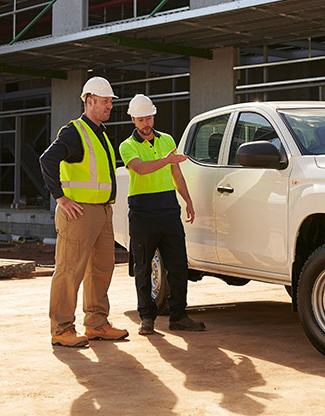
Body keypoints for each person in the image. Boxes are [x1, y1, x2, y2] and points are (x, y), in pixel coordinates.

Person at [40, 76, 129, 347]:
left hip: (102, 212)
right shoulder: (74, 132)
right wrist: (61, 198)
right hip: (78, 214)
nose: (110, 106)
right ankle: (61, 329)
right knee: (69, 271)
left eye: (111, 102)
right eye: (105, 101)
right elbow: (47, 159)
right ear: (89, 101)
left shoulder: (100, 133)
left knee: (101, 270)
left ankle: (96, 324)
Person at [119, 94, 205, 335]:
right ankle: (147, 317)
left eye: (149, 118)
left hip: (168, 207)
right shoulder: (127, 146)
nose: (146, 124)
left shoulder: (167, 140)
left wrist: (187, 199)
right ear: (133, 120)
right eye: (141, 120)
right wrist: (166, 160)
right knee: (143, 267)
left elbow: (176, 173)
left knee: (178, 265)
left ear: (153, 116)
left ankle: (179, 316)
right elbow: (140, 169)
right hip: (142, 211)